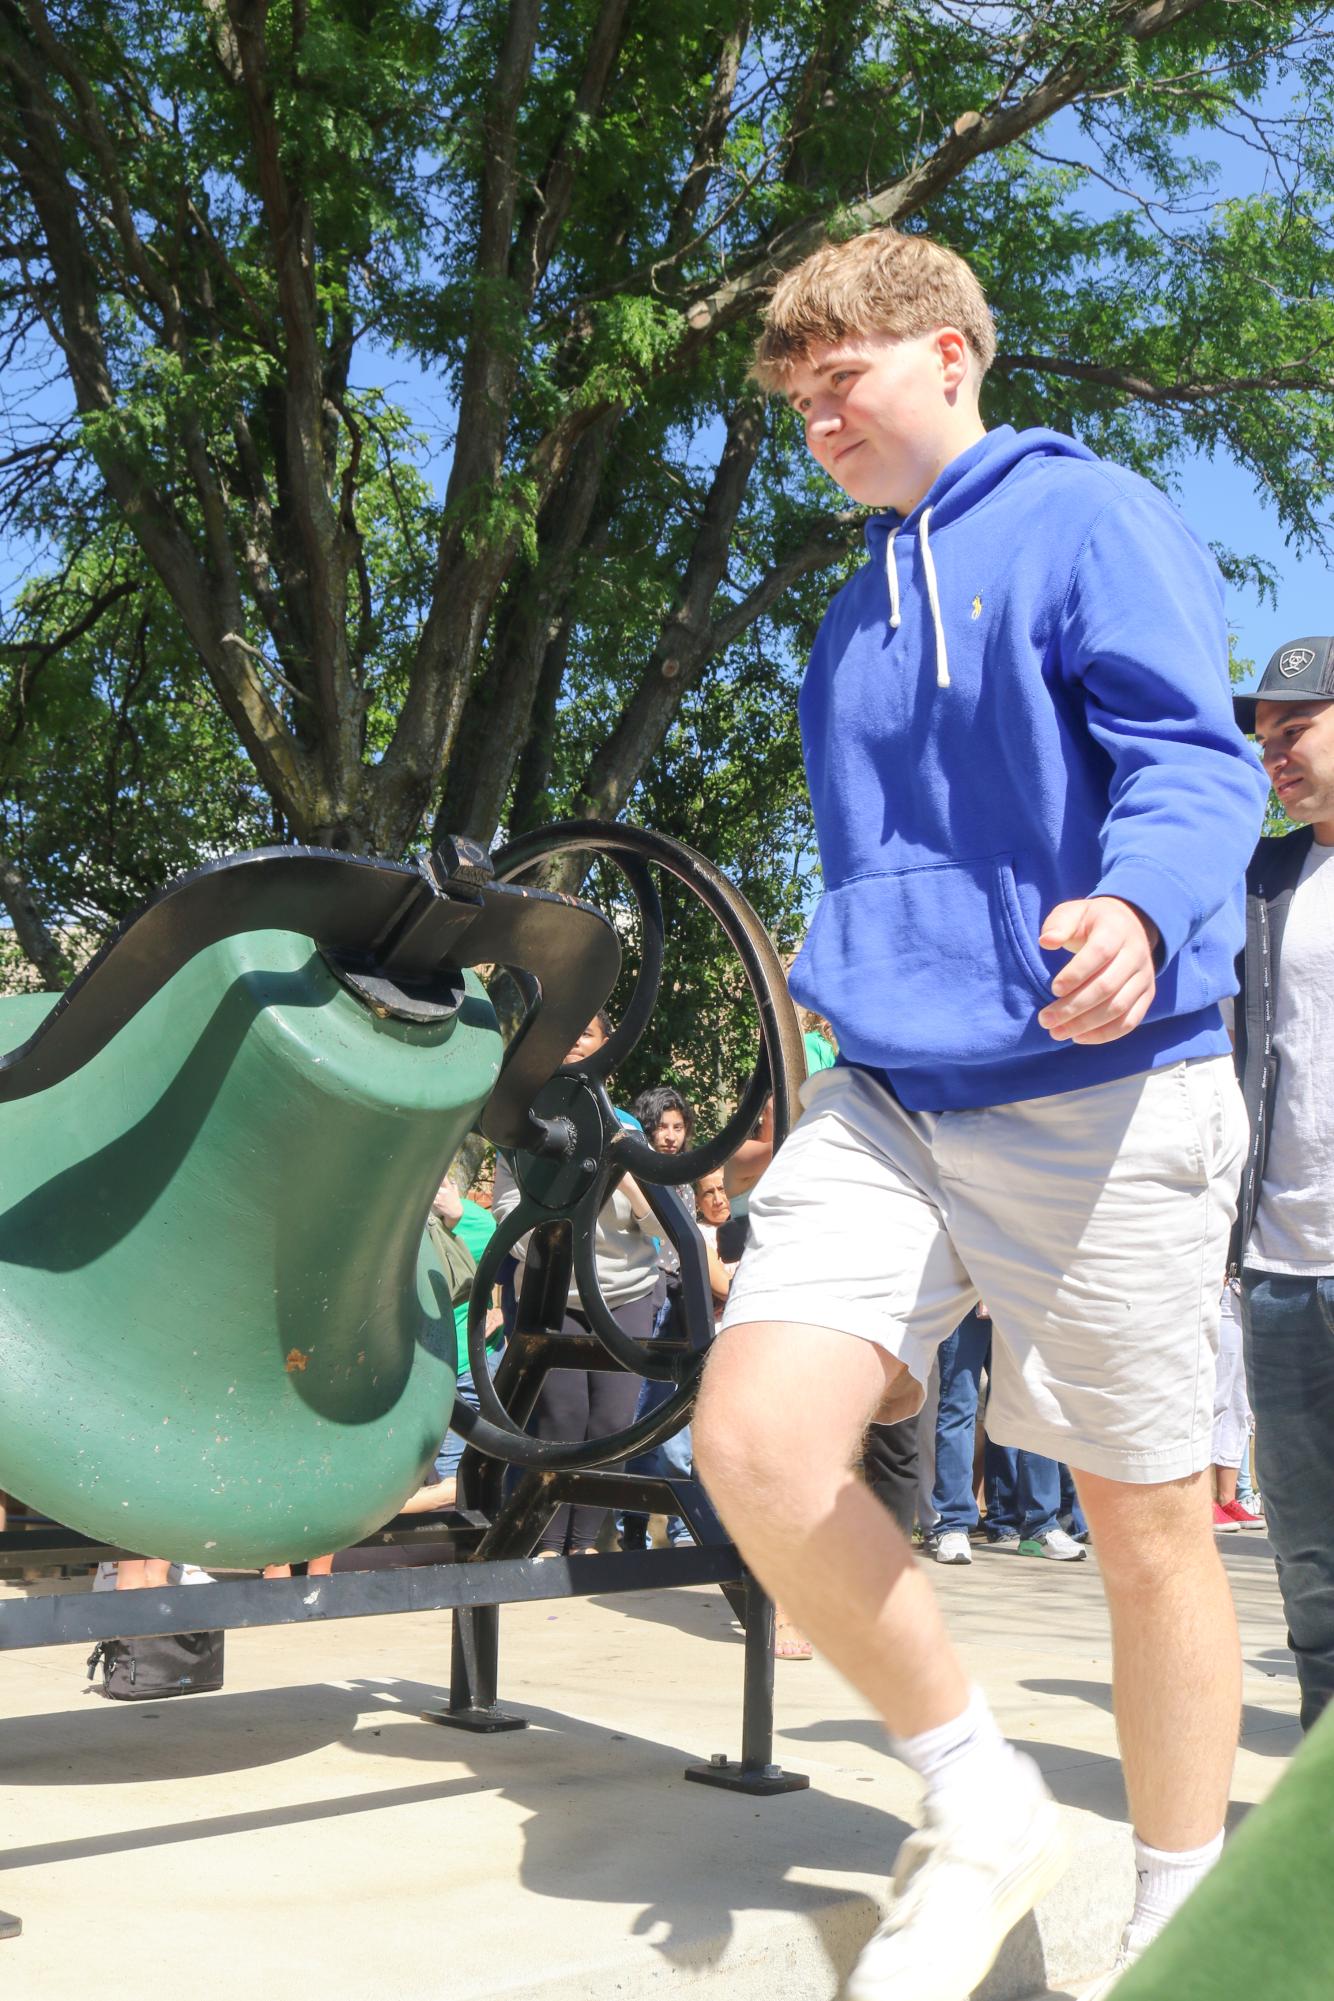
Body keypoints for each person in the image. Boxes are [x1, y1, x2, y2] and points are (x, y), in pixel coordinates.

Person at [691, 225, 1268, 2001]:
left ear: (947, 354)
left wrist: (1138, 903)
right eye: (790, 401)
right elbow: (889, 847)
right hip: (895, 1093)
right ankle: (976, 1787)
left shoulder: (1085, 519)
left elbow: (1191, 760)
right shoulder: (850, 607)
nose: (814, 422)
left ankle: (1181, 1913)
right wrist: (846, 950)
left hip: (1102, 1088)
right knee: (756, 1441)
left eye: (835, 381)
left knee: (1142, 1523)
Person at [1232, 637, 1334, 1730]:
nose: (1275, 752)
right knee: (1306, 1552)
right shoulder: (1260, 880)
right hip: (1277, 1266)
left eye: (1295, 727)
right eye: (1264, 738)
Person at [493, 1014, 660, 1556]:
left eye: (584, 1035)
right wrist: (552, 1225)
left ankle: (586, 1542)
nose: (573, 1046)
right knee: (561, 1417)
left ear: (607, 1045)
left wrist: (628, 1173)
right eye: (565, 1036)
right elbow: (508, 1218)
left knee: (611, 1422)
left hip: (625, 1293)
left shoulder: (630, 1128)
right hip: (555, 1293)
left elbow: (662, 1225)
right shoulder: (527, 1127)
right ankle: (548, 1538)